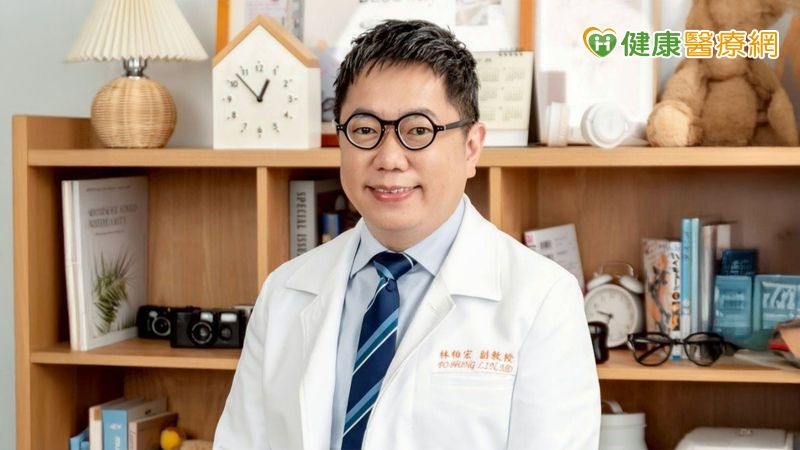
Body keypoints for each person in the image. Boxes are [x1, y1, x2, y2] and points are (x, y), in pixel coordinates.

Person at [214, 19, 600, 450]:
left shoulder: (543, 298)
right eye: (364, 129)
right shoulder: (284, 291)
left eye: (418, 130)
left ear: (471, 146)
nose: (389, 158)